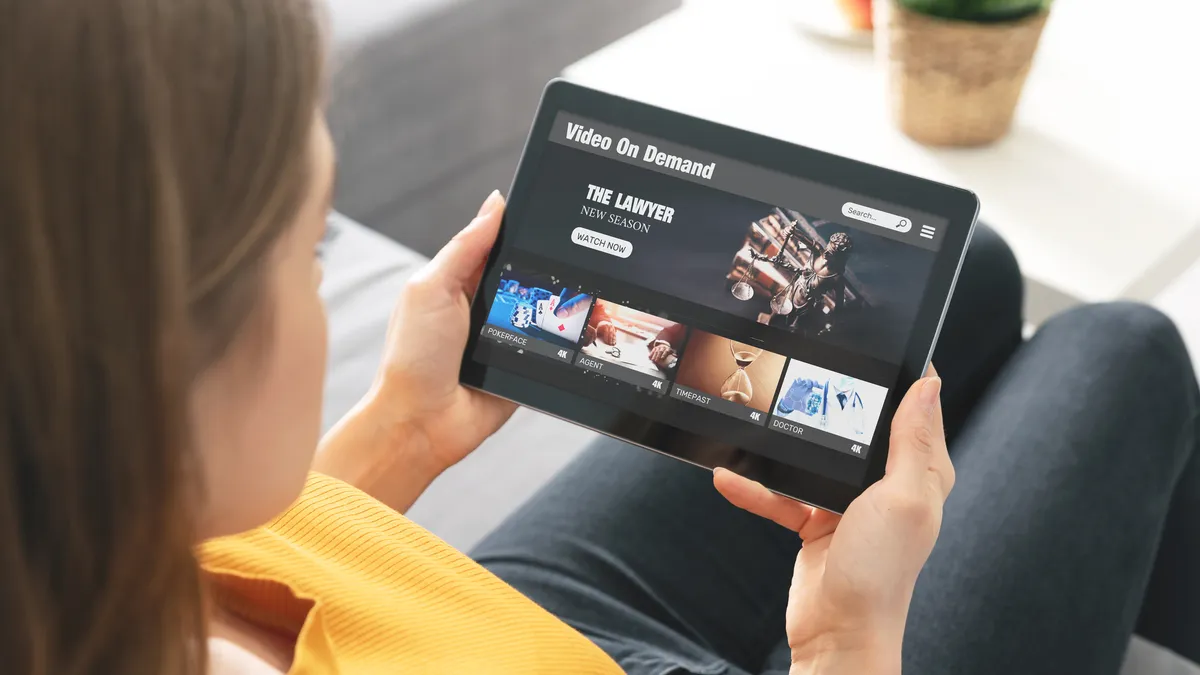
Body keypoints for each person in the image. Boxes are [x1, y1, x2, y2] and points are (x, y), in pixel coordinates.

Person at [1, 2, 1198, 675]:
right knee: (1124, 352)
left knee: (956, 277)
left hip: (476, 618)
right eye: (309, 250)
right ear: (142, 373)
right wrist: (849, 636)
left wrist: (403, 432)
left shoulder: (85, 571)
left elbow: (251, 578)